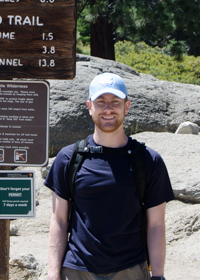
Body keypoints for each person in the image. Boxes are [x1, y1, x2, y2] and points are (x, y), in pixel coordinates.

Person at [45, 72, 174, 280]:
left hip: (130, 270)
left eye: (115, 102)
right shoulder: (69, 158)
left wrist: (158, 275)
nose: (108, 109)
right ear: (89, 107)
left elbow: (157, 224)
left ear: (127, 106)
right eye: (101, 102)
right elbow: (58, 220)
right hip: (77, 271)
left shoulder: (149, 161)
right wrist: (53, 274)